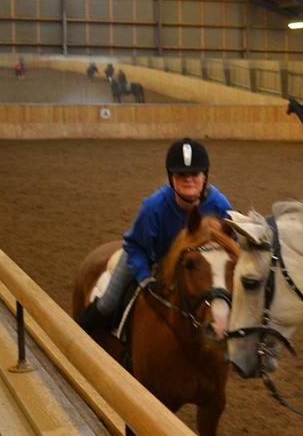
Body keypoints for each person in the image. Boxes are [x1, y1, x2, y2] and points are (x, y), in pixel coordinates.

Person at [76, 138, 232, 333]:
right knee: (109, 303)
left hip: (192, 267)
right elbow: (135, 247)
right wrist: (145, 279)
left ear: (204, 176)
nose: (188, 179)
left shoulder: (220, 205)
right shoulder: (153, 207)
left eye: (194, 173)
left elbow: (229, 246)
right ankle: (76, 336)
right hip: (149, 258)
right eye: (181, 174)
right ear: (171, 177)